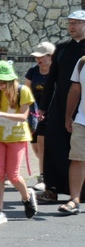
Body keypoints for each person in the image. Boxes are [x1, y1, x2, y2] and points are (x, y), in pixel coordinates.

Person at [38, 10, 85, 204]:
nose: (72, 27)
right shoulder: (62, 48)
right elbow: (52, 79)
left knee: (79, 152)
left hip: (82, 106)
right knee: (53, 144)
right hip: (60, 105)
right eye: (70, 23)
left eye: (76, 23)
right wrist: (43, 106)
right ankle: (53, 188)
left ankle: (79, 192)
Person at [0, 60, 38, 224]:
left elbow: (23, 116)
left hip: (17, 137)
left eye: (3, 81)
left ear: (11, 79)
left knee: (13, 175)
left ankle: (27, 197)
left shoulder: (23, 91)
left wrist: (0, 114)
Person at [24, 41, 54, 191]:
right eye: (36, 57)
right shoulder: (33, 71)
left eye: (41, 57)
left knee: (42, 143)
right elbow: (26, 91)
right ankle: (47, 170)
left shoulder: (58, 71)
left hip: (52, 111)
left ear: (50, 56)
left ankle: (43, 177)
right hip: (34, 113)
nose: (38, 60)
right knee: (35, 146)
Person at [59, 54, 85, 215]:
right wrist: (68, 116)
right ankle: (74, 199)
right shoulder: (82, 61)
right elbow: (75, 90)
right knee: (77, 159)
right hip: (82, 120)